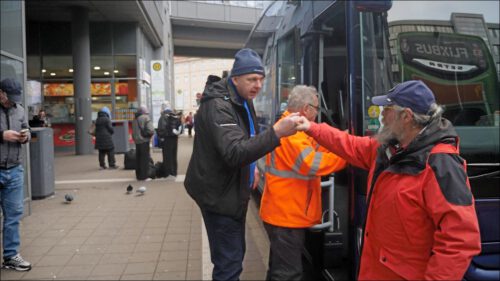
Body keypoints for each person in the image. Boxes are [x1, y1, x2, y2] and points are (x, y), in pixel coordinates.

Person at [295, 80, 481, 280]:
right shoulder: (389, 149)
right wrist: (312, 128)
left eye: (387, 109)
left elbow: (460, 239)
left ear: (406, 116)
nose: (382, 115)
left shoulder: (440, 165)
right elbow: (351, 145)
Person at [184, 48, 299, 281]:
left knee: (235, 255)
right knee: (229, 263)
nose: (257, 85)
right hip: (219, 196)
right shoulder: (219, 106)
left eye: (260, 79)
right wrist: (277, 133)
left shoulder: (242, 98)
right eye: (252, 79)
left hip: (230, 190)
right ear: (235, 78)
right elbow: (235, 152)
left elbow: (243, 138)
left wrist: (252, 167)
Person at [259, 85, 346, 281]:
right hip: (286, 216)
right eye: (317, 108)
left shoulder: (293, 127)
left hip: (283, 213)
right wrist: (346, 157)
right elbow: (313, 163)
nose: (318, 112)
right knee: (288, 275)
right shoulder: (291, 133)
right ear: (306, 109)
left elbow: (317, 147)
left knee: (279, 269)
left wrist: (342, 141)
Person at [0, 78, 32, 271]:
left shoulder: (20, 109)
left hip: (14, 169)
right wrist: (1, 135)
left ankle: (11, 256)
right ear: (0, 92)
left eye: (15, 98)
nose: (12, 102)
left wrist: (25, 135)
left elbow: (26, 127)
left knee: (13, 216)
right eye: (8, 97)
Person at [157, 104, 182, 177]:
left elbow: (161, 129)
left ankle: (168, 173)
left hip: (167, 139)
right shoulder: (174, 116)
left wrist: (161, 136)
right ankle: (174, 172)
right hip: (174, 138)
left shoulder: (163, 117)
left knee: (167, 156)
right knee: (173, 155)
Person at [132, 105, 154, 181]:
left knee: (138, 159)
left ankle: (139, 175)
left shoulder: (135, 119)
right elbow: (151, 130)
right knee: (144, 159)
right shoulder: (145, 118)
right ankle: (144, 176)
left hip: (137, 141)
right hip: (144, 141)